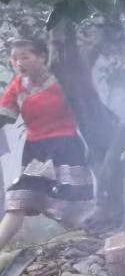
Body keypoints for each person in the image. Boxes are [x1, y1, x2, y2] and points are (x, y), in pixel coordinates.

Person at [0, 35, 93, 249]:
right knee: (17, 201)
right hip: (36, 152)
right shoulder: (17, 87)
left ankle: (93, 246)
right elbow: (4, 116)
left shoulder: (61, 79)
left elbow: (86, 105)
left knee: (74, 208)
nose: (18, 63)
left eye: (25, 57)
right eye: (14, 59)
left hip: (66, 147)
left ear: (42, 57)